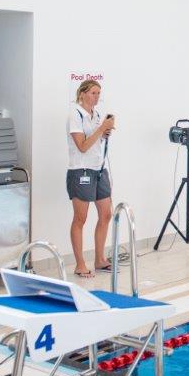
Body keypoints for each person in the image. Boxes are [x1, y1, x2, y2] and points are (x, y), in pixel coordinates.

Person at [67, 80, 115, 279]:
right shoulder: (75, 115)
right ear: (83, 93)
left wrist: (105, 131)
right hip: (81, 172)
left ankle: (99, 259)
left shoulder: (95, 115)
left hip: (99, 170)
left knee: (106, 214)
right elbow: (83, 146)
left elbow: (96, 143)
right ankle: (79, 264)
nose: (97, 97)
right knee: (81, 218)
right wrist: (100, 128)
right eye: (93, 93)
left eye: (98, 93)